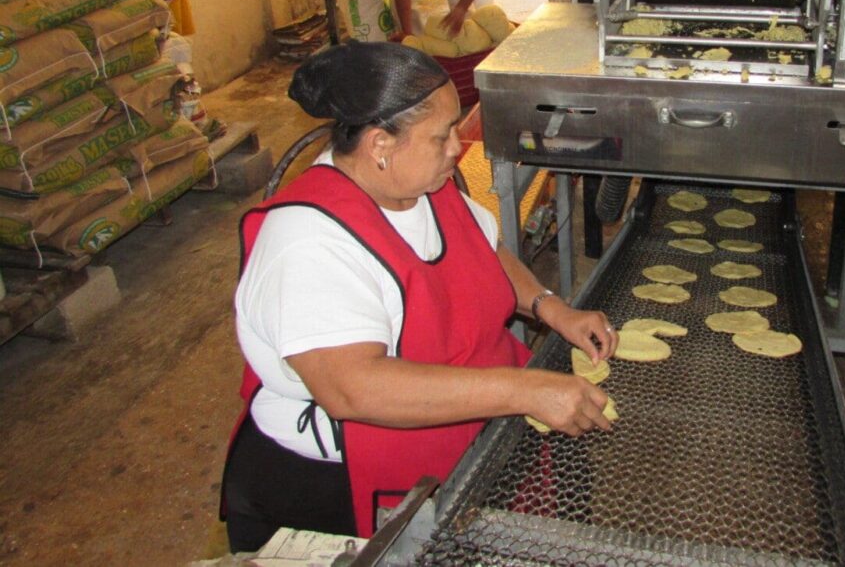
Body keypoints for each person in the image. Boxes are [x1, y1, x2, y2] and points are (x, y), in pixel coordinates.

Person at [221, 41, 618, 551]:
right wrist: (524, 391)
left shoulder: (421, 184)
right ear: (380, 145)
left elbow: (480, 250)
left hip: (462, 428)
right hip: (341, 483)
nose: (457, 147)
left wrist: (551, 307)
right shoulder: (307, 243)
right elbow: (353, 389)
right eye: (442, 135)